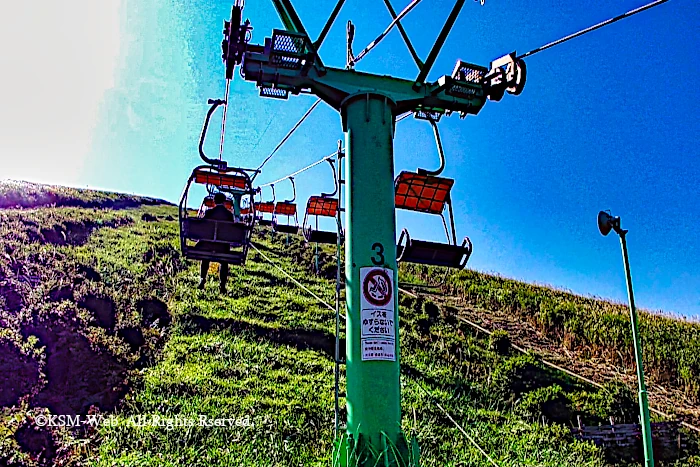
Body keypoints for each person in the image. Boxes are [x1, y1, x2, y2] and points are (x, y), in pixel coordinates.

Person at [197, 192, 234, 293]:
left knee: (205, 258)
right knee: (224, 262)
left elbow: (202, 227)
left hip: (208, 245)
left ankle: (202, 280)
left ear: (214, 201)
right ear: (224, 201)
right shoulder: (229, 215)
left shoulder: (209, 213)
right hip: (222, 247)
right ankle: (222, 286)